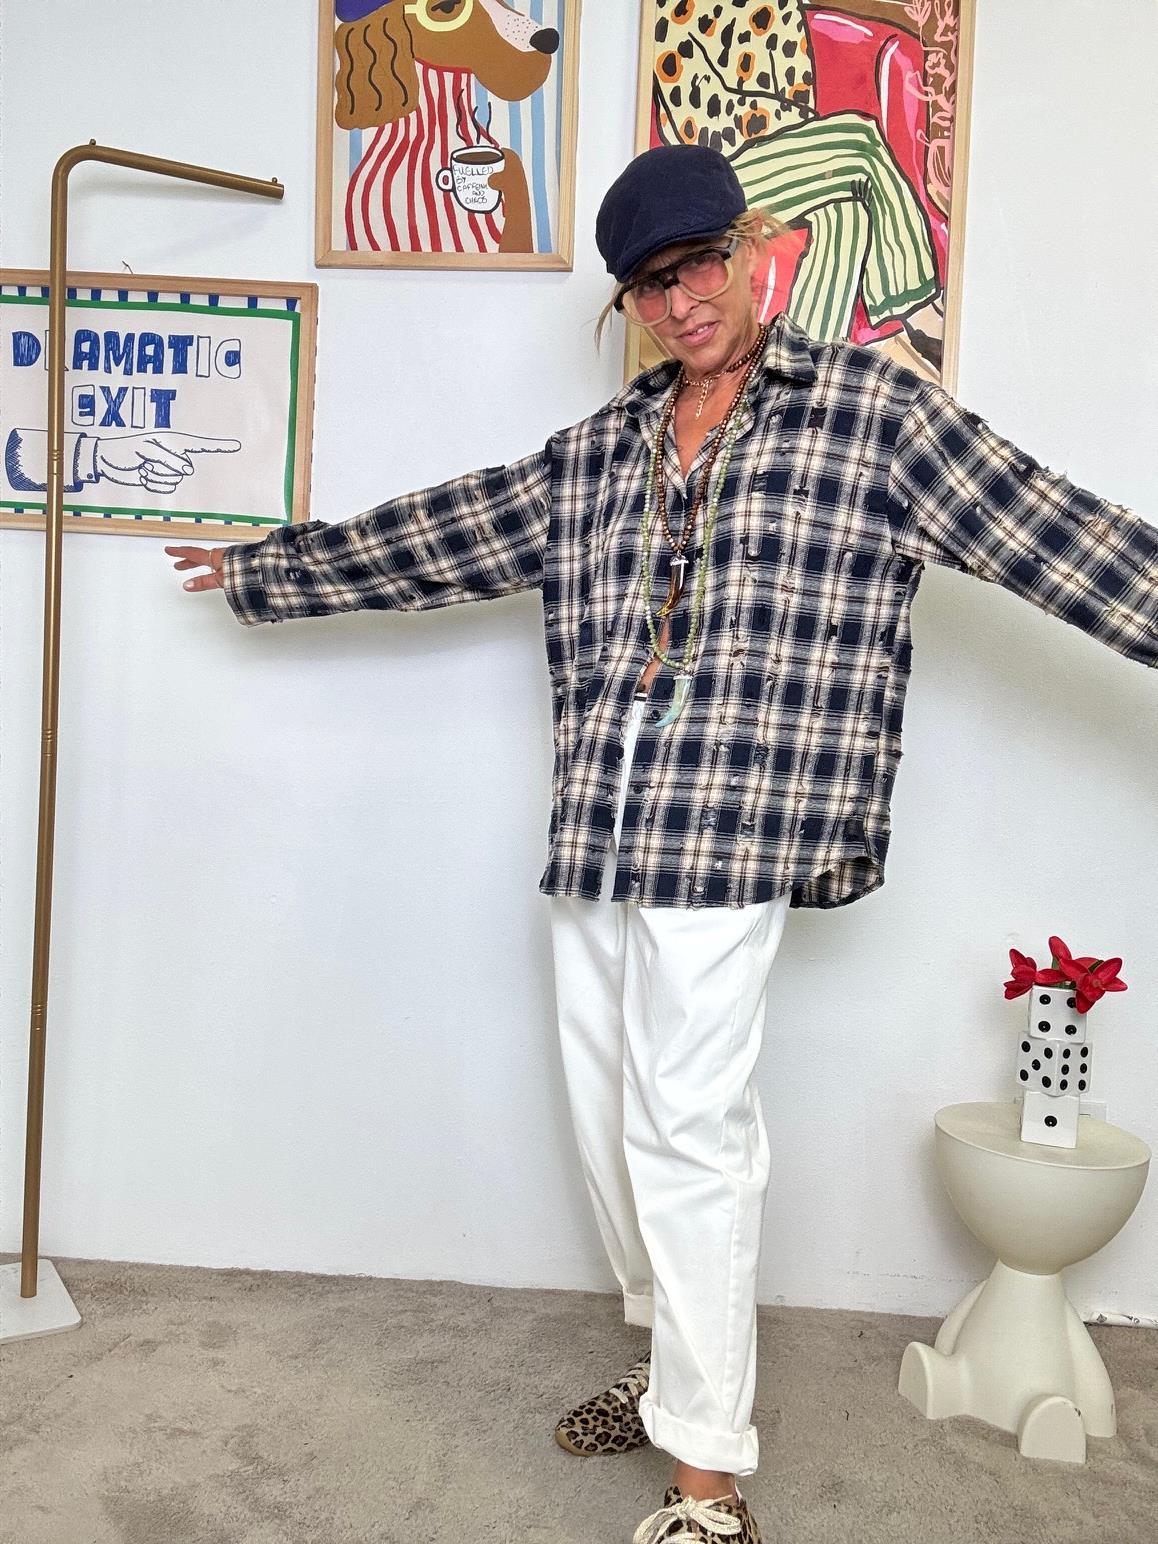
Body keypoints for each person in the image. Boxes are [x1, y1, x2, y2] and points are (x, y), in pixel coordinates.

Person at [166, 143, 1157, 1544]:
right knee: (612, 1128)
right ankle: (675, 1366)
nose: (680, 301)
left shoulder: (873, 416)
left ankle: (707, 1478)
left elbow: (1055, 534)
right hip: (599, 827)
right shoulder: (598, 452)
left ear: (752, 253)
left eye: (698, 265)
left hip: (732, 826)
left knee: (689, 1132)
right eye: (648, 285)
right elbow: (444, 532)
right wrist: (271, 569)